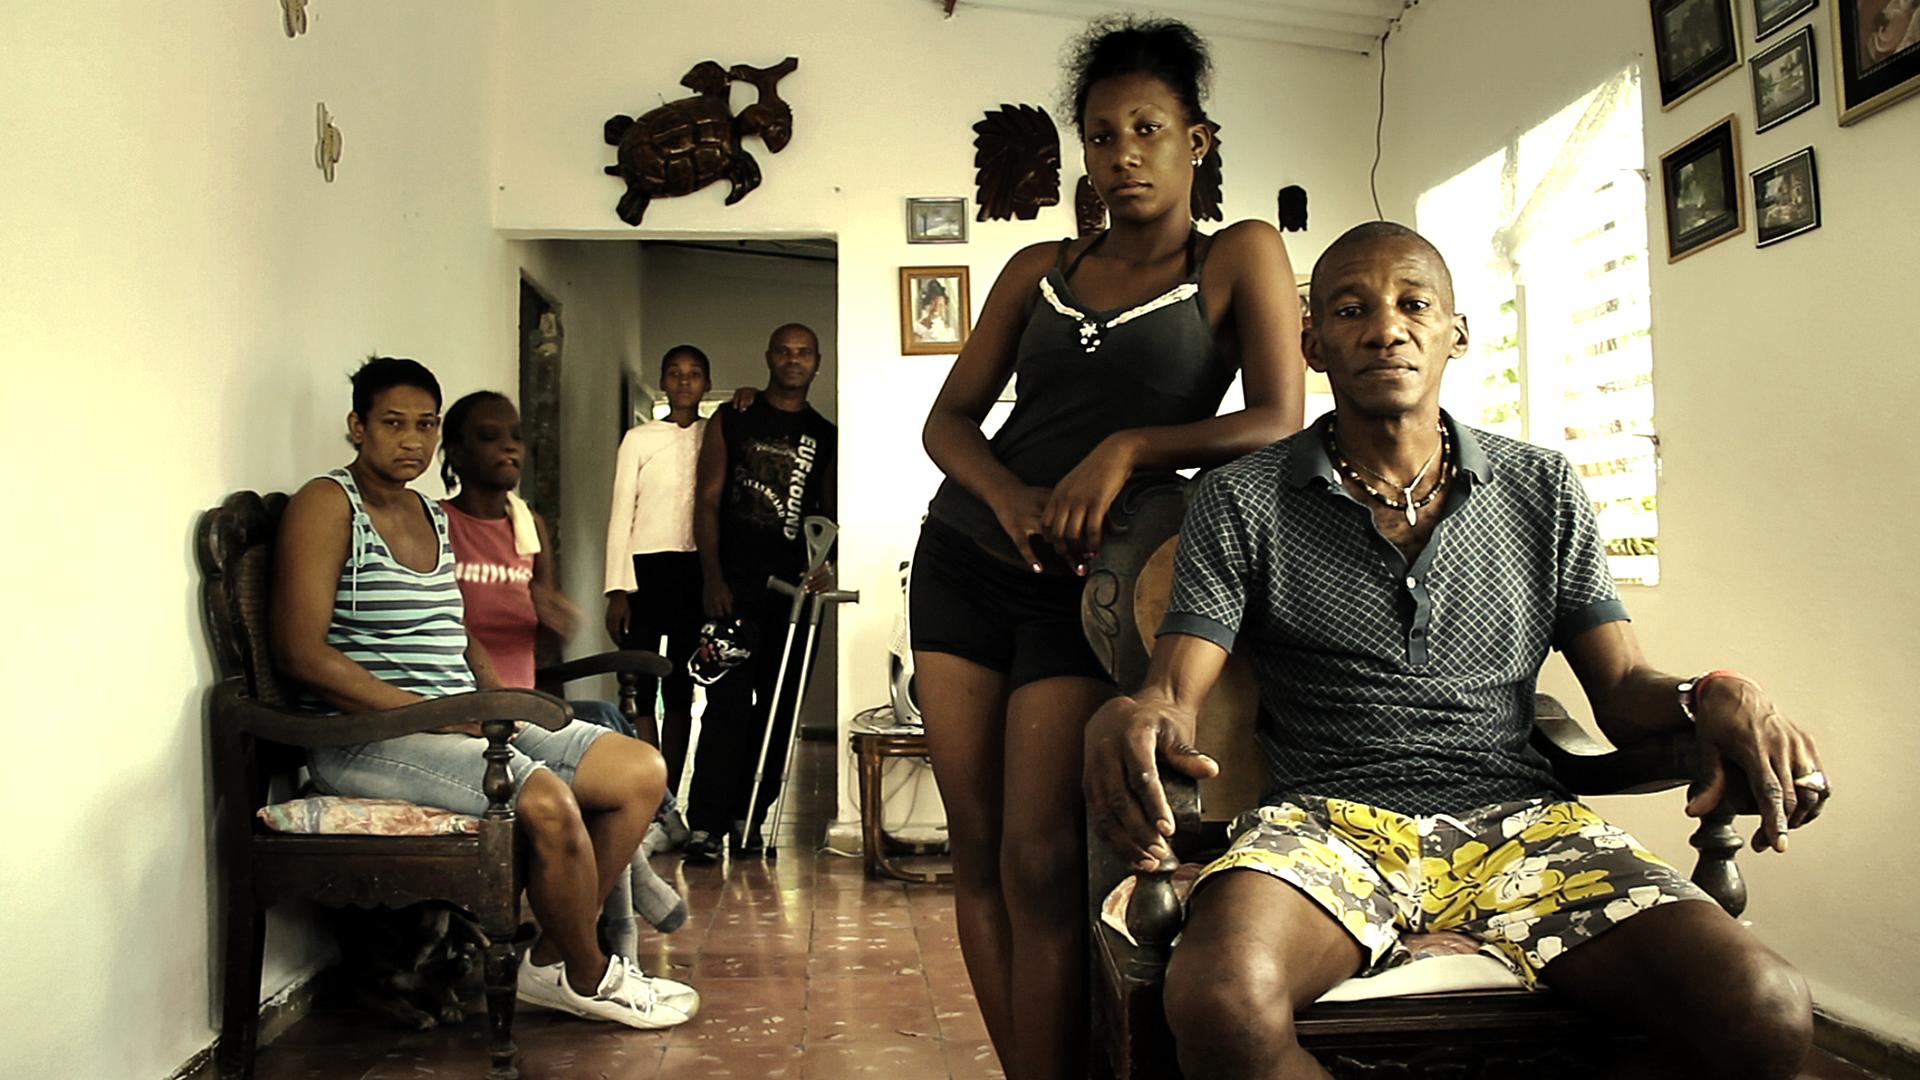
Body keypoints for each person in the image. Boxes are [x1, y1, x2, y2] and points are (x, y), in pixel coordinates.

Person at [1084, 222, 1826, 1080]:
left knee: (1766, 1009)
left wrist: (1715, 691)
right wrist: (1129, 714)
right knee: (1222, 1003)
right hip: (1325, 829)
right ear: (1313, 343)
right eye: (1351, 310)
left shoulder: (1542, 487)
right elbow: (1174, 691)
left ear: (1457, 334)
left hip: (1524, 828)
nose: (1386, 329)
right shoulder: (1241, 497)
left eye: (1413, 304)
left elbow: (1624, 688)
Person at [912, 17, 1305, 1079]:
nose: (1123, 154)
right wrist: (1009, 497)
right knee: (975, 853)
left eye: (1147, 129)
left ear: (1197, 140)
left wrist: (1128, 448)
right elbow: (948, 422)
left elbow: (1276, 416)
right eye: (1100, 135)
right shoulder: (1037, 268)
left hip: (1087, 590)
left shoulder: (1237, 254)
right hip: (964, 560)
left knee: (1040, 860)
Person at [271, 357, 699, 1030]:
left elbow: (457, 628)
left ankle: (552, 962)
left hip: (460, 721)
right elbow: (300, 654)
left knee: (640, 770)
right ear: (357, 426)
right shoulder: (327, 504)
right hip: (365, 739)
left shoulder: (427, 512)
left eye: (425, 425)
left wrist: (495, 701)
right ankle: (590, 976)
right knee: (546, 799)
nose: (412, 440)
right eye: (392, 423)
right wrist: (438, 716)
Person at [437, 388, 688, 934]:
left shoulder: (527, 525)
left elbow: (545, 626)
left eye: (515, 437)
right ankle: (642, 868)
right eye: (489, 437)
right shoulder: (438, 526)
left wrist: (552, 614)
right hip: (474, 715)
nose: (509, 448)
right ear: (454, 452)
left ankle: (647, 846)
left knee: (605, 720)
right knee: (607, 733)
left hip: (527, 704)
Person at [686, 323, 837, 862]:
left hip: (794, 599)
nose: (794, 360)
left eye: (804, 352)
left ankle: (749, 817)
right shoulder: (734, 417)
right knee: (726, 707)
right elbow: (707, 500)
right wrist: (712, 577)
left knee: (780, 710)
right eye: (784, 351)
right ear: (769, 357)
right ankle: (705, 826)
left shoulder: (826, 435)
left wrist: (828, 567)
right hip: (731, 589)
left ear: (817, 362)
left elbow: (831, 515)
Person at [604, 345, 713, 802]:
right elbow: (620, 514)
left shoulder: (716, 434)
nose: (684, 381)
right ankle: (651, 792)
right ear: (663, 382)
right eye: (675, 373)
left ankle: (671, 792)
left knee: (682, 686)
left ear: (707, 383)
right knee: (640, 684)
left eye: (694, 373)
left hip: (694, 572)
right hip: (643, 571)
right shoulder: (639, 439)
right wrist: (617, 590)